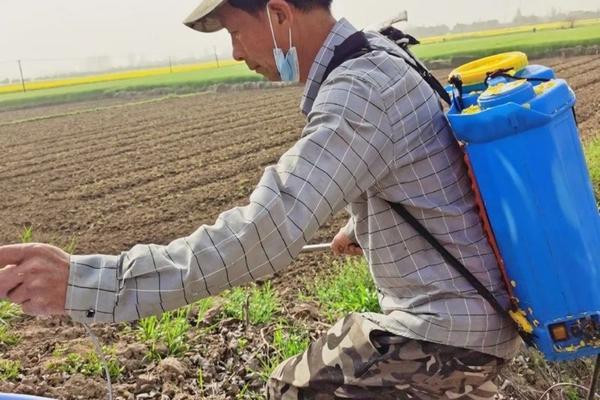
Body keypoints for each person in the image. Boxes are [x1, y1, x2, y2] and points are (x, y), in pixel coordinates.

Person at [0, 0, 521, 398]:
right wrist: (365, 224)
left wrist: (90, 284)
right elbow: (426, 167)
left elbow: (261, 233)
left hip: (444, 328)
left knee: (290, 390)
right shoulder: (382, 53)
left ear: (277, 15)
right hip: (479, 313)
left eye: (232, 30)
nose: (234, 51)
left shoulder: (359, 90)